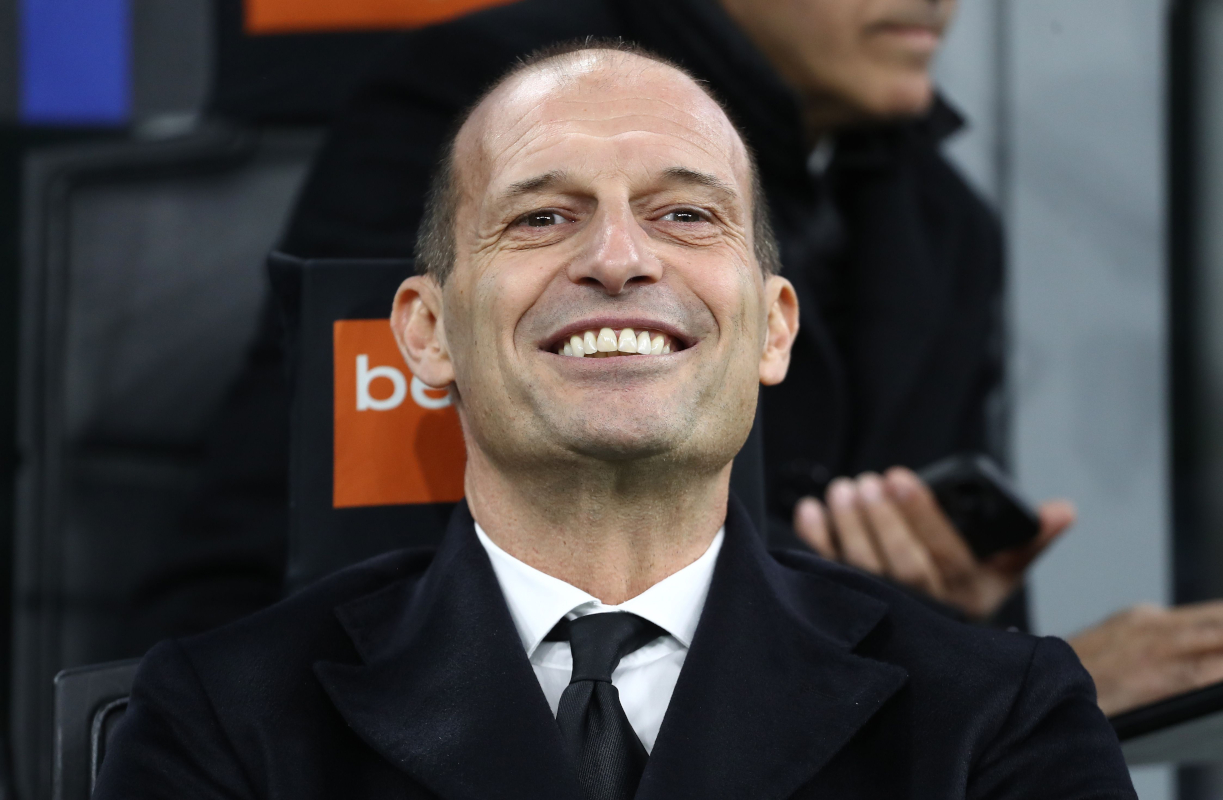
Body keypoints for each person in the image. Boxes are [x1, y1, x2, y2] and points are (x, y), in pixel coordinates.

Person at [95, 45, 1134, 799]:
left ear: (773, 328)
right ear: (423, 333)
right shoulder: (219, 715)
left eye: (684, 214)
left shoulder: (998, 717)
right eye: (541, 216)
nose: (619, 259)